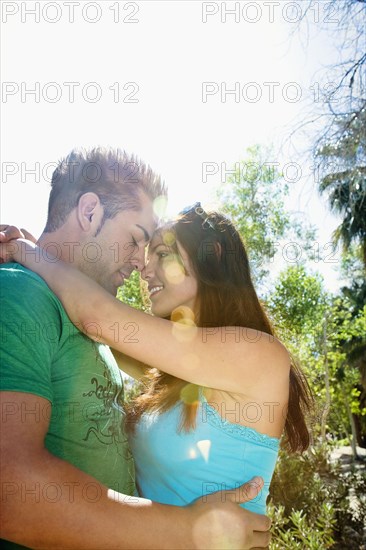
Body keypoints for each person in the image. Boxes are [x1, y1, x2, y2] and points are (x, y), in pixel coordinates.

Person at [0, 148, 272, 550]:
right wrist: (185, 531)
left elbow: (101, 317)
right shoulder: (20, 293)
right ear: (89, 212)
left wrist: (32, 251)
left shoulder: (248, 354)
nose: (140, 267)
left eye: (158, 253)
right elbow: (10, 490)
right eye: (136, 241)